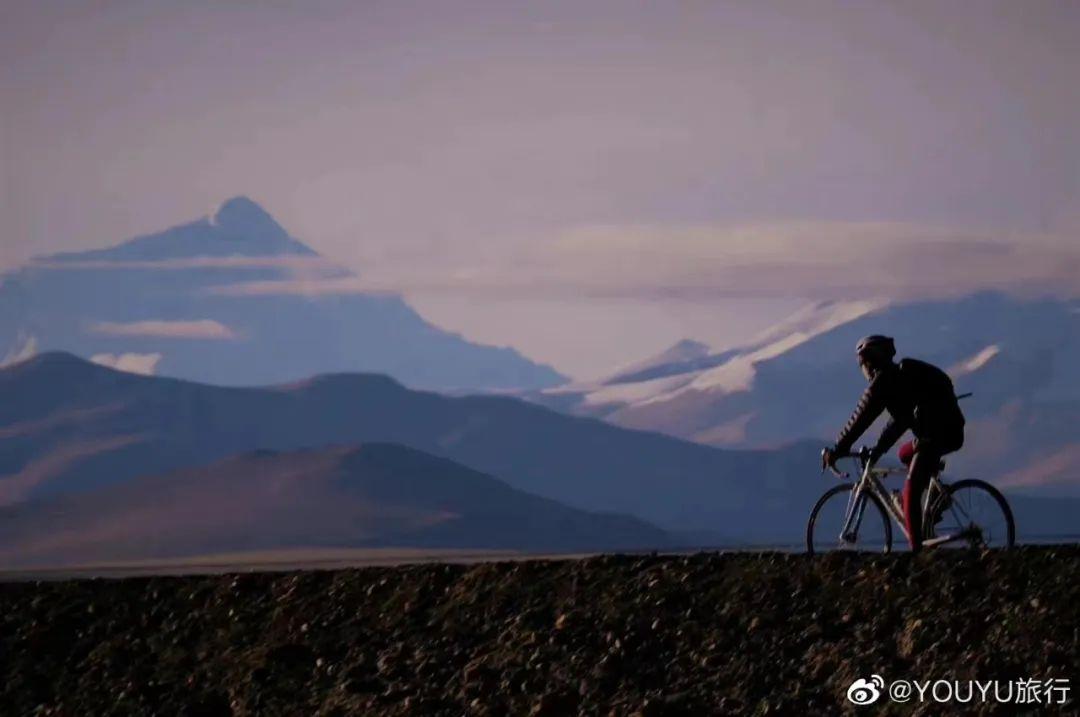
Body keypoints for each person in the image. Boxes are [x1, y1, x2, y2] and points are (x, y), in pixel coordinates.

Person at [822, 335, 965, 553]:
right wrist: (878, 450)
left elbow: (861, 418)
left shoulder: (884, 381)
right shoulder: (899, 378)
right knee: (904, 454)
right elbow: (899, 422)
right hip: (945, 433)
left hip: (935, 436)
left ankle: (917, 552)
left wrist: (838, 449)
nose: (863, 369)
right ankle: (936, 496)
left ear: (869, 362)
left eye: (863, 363)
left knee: (911, 492)